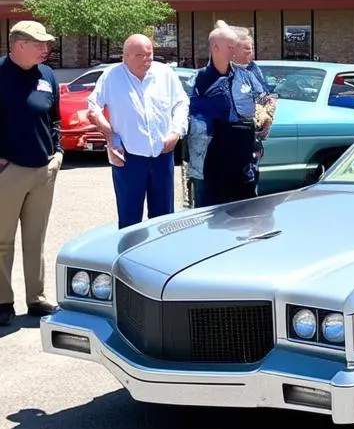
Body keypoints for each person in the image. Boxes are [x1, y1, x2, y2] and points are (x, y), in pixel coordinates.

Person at [87, 34, 189, 230]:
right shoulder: (111, 76)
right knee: (129, 220)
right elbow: (93, 106)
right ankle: (129, 258)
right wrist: (109, 135)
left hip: (162, 154)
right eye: (140, 55)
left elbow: (182, 103)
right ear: (125, 57)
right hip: (128, 157)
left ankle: (160, 258)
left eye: (150, 54)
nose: (147, 59)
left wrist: (176, 132)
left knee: (164, 220)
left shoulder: (165, 74)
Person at [0, 20, 63, 325]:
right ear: (18, 44)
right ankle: (2, 302)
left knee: (35, 238)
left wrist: (58, 153)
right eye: (39, 44)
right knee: (2, 241)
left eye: (47, 44)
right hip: (8, 171)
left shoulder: (47, 75)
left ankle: (35, 298)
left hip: (43, 169)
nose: (45, 49)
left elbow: (54, 119)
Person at [188, 23, 268, 207]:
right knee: (210, 218)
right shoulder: (199, 80)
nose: (235, 51)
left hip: (244, 160)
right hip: (211, 161)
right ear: (215, 48)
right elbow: (190, 113)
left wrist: (265, 114)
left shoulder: (245, 75)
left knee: (245, 216)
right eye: (231, 47)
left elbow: (264, 99)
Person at [228, 23, 275, 191]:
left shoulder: (252, 70)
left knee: (249, 190)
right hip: (229, 148)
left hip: (252, 144)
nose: (252, 54)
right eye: (247, 50)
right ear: (232, 50)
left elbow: (264, 96)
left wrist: (267, 115)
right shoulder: (221, 74)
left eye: (252, 48)